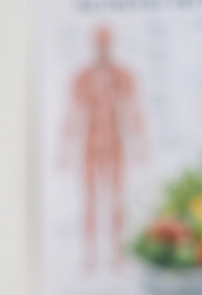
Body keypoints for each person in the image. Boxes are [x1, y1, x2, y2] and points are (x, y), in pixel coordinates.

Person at [60, 25, 146, 269]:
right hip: (91, 142)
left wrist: (140, 146)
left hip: (115, 141)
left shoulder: (123, 76)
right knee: (90, 199)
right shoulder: (82, 77)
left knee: (117, 197)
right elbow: (73, 114)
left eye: (106, 41)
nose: (103, 46)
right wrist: (65, 150)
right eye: (100, 41)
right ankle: (90, 255)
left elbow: (133, 111)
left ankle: (118, 253)